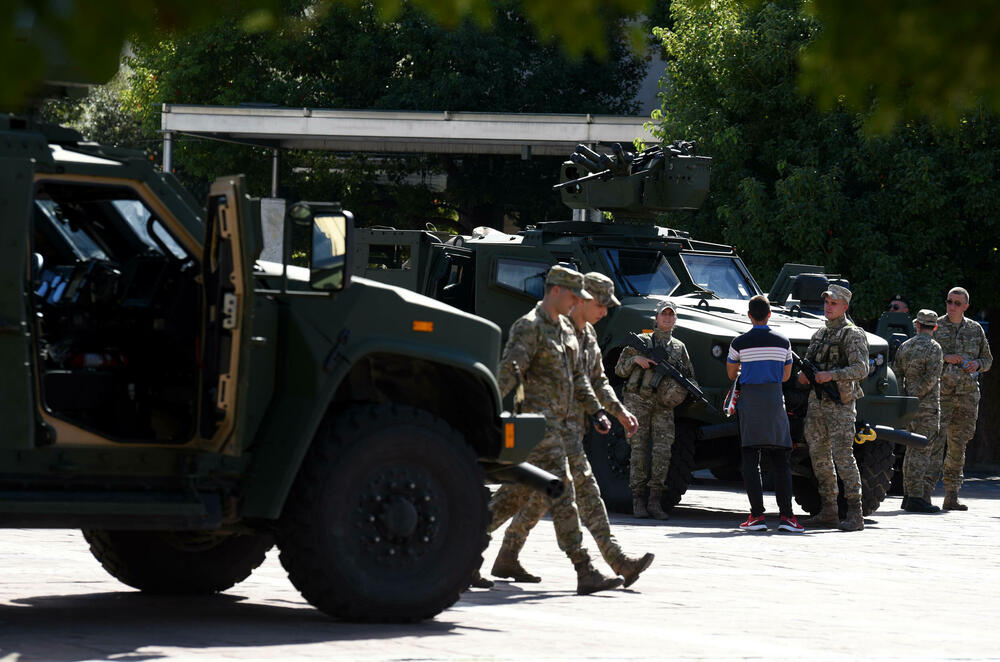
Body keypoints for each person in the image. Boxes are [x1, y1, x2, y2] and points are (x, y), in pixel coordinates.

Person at [492, 273, 654, 587]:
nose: (605, 311)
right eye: (601, 304)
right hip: (541, 430)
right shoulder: (535, 326)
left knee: (532, 496)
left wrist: (608, 412)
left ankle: (499, 552)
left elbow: (589, 381)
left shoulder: (582, 334)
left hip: (570, 429)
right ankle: (588, 566)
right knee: (550, 492)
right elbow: (509, 373)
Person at [615, 299, 696, 520]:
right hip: (638, 402)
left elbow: (689, 377)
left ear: (675, 319)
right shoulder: (641, 341)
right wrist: (636, 359)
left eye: (671, 315)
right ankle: (638, 500)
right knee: (638, 451)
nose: (667, 318)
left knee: (662, 453)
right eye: (663, 315)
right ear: (656, 318)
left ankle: (654, 501)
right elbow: (620, 370)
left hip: (663, 406)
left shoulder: (679, 348)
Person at [726, 295, 802, 533]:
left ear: (749, 315)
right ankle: (787, 517)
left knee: (750, 457)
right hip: (773, 401)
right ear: (770, 314)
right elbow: (786, 376)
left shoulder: (739, 343)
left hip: (749, 402)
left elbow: (731, 374)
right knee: (781, 459)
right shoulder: (783, 342)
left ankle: (757, 516)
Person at [797, 284, 869, 532]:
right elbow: (809, 365)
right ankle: (828, 511)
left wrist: (832, 375)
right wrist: (803, 376)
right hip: (817, 404)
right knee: (819, 457)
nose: (828, 306)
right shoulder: (819, 334)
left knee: (843, 457)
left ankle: (855, 513)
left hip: (840, 405)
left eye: (834, 303)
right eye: (826, 302)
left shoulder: (853, 334)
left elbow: (861, 369)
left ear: (845, 307)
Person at [931, 287, 993, 510]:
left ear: (966, 306)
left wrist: (977, 364)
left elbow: (987, 359)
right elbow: (924, 356)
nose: (952, 306)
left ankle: (951, 495)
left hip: (966, 396)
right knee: (934, 444)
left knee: (958, 447)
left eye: (958, 303)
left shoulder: (975, 329)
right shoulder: (935, 326)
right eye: (949, 301)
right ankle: (924, 495)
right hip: (941, 394)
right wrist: (946, 357)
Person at [894, 309, 944, 513]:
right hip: (927, 407)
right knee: (922, 452)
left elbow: (896, 374)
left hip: (908, 407)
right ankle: (915, 497)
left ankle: (908, 495)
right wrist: (917, 396)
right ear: (935, 327)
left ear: (917, 325)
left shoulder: (905, 346)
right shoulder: (935, 348)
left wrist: (904, 398)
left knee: (910, 452)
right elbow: (933, 378)